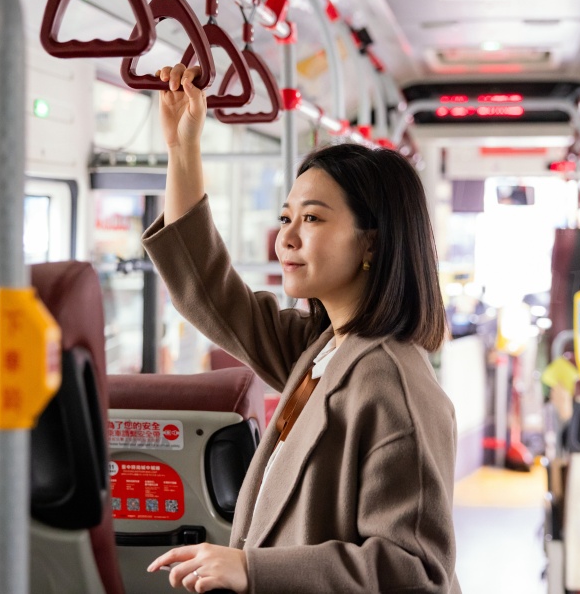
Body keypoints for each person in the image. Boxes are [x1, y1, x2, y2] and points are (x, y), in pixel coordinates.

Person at [143, 63, 461, 594]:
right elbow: (209, 292)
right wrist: (183, 150)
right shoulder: (322, 348)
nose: (285, 237)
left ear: (372, 243)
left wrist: (252, 568)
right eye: (286, 217)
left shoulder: (393, 384)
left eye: (312, 219)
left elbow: (414, 572)